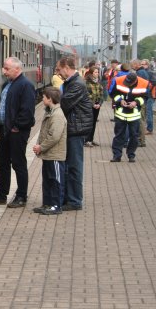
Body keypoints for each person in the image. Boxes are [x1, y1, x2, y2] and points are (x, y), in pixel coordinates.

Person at [0, 57, 36, 208]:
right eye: (4, 68)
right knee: (2, 162)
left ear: (17, 69)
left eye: (7, 68)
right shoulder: (7, 85)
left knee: (18, 163)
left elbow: (27, 111)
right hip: (6, 130)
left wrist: (17, 126)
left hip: (17, 131)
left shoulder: (25, 85)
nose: (4, 71)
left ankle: (21, 196)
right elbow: (3, 108)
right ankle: (1, 194)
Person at [55, 56, 93, 211]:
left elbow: (64, 103)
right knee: (69, 166)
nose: (58, 73)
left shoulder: (77, 84)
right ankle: (68, 198)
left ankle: (75, 201)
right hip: (72, 129)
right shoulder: (72, 83)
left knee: (74, 167)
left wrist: (53, 100)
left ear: (66, 67)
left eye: (59, 69)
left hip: (76, 130)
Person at [32, 86, 67, 215]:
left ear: (50, 99)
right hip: (48, 154)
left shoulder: (57, 115)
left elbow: (54, 136)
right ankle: (47, 203)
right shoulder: (50, 112)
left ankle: (56, 205)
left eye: (44, 97)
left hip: (55, 155)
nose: (42, 98)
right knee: (47, 180)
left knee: (56, 180)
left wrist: (41, 147)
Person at [111, 69, 149, 162]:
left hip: (134, 114)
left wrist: (135, 102)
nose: (127, 84)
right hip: (121, 113)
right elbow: (113, 93)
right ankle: (117, 155)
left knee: (134, 136)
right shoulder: (119, 80)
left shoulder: (144, 83)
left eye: (129, 83)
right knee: (118, 135)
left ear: (135, 81)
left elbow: (145, 97)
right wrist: (120, 100)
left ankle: (131, 155)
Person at [84, 67, 103, 146]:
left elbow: (101, 94)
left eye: (97, 72)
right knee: (89, 122)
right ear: (91, 73)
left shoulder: (98, 82)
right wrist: (93, 104)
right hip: (89, 106)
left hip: (97, 105)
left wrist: (99, 104)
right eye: (95, 72)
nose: (97, 73)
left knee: (94, 122)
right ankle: (86, 140)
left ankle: (91, 139)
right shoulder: (87, 83)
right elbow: (86, 95)